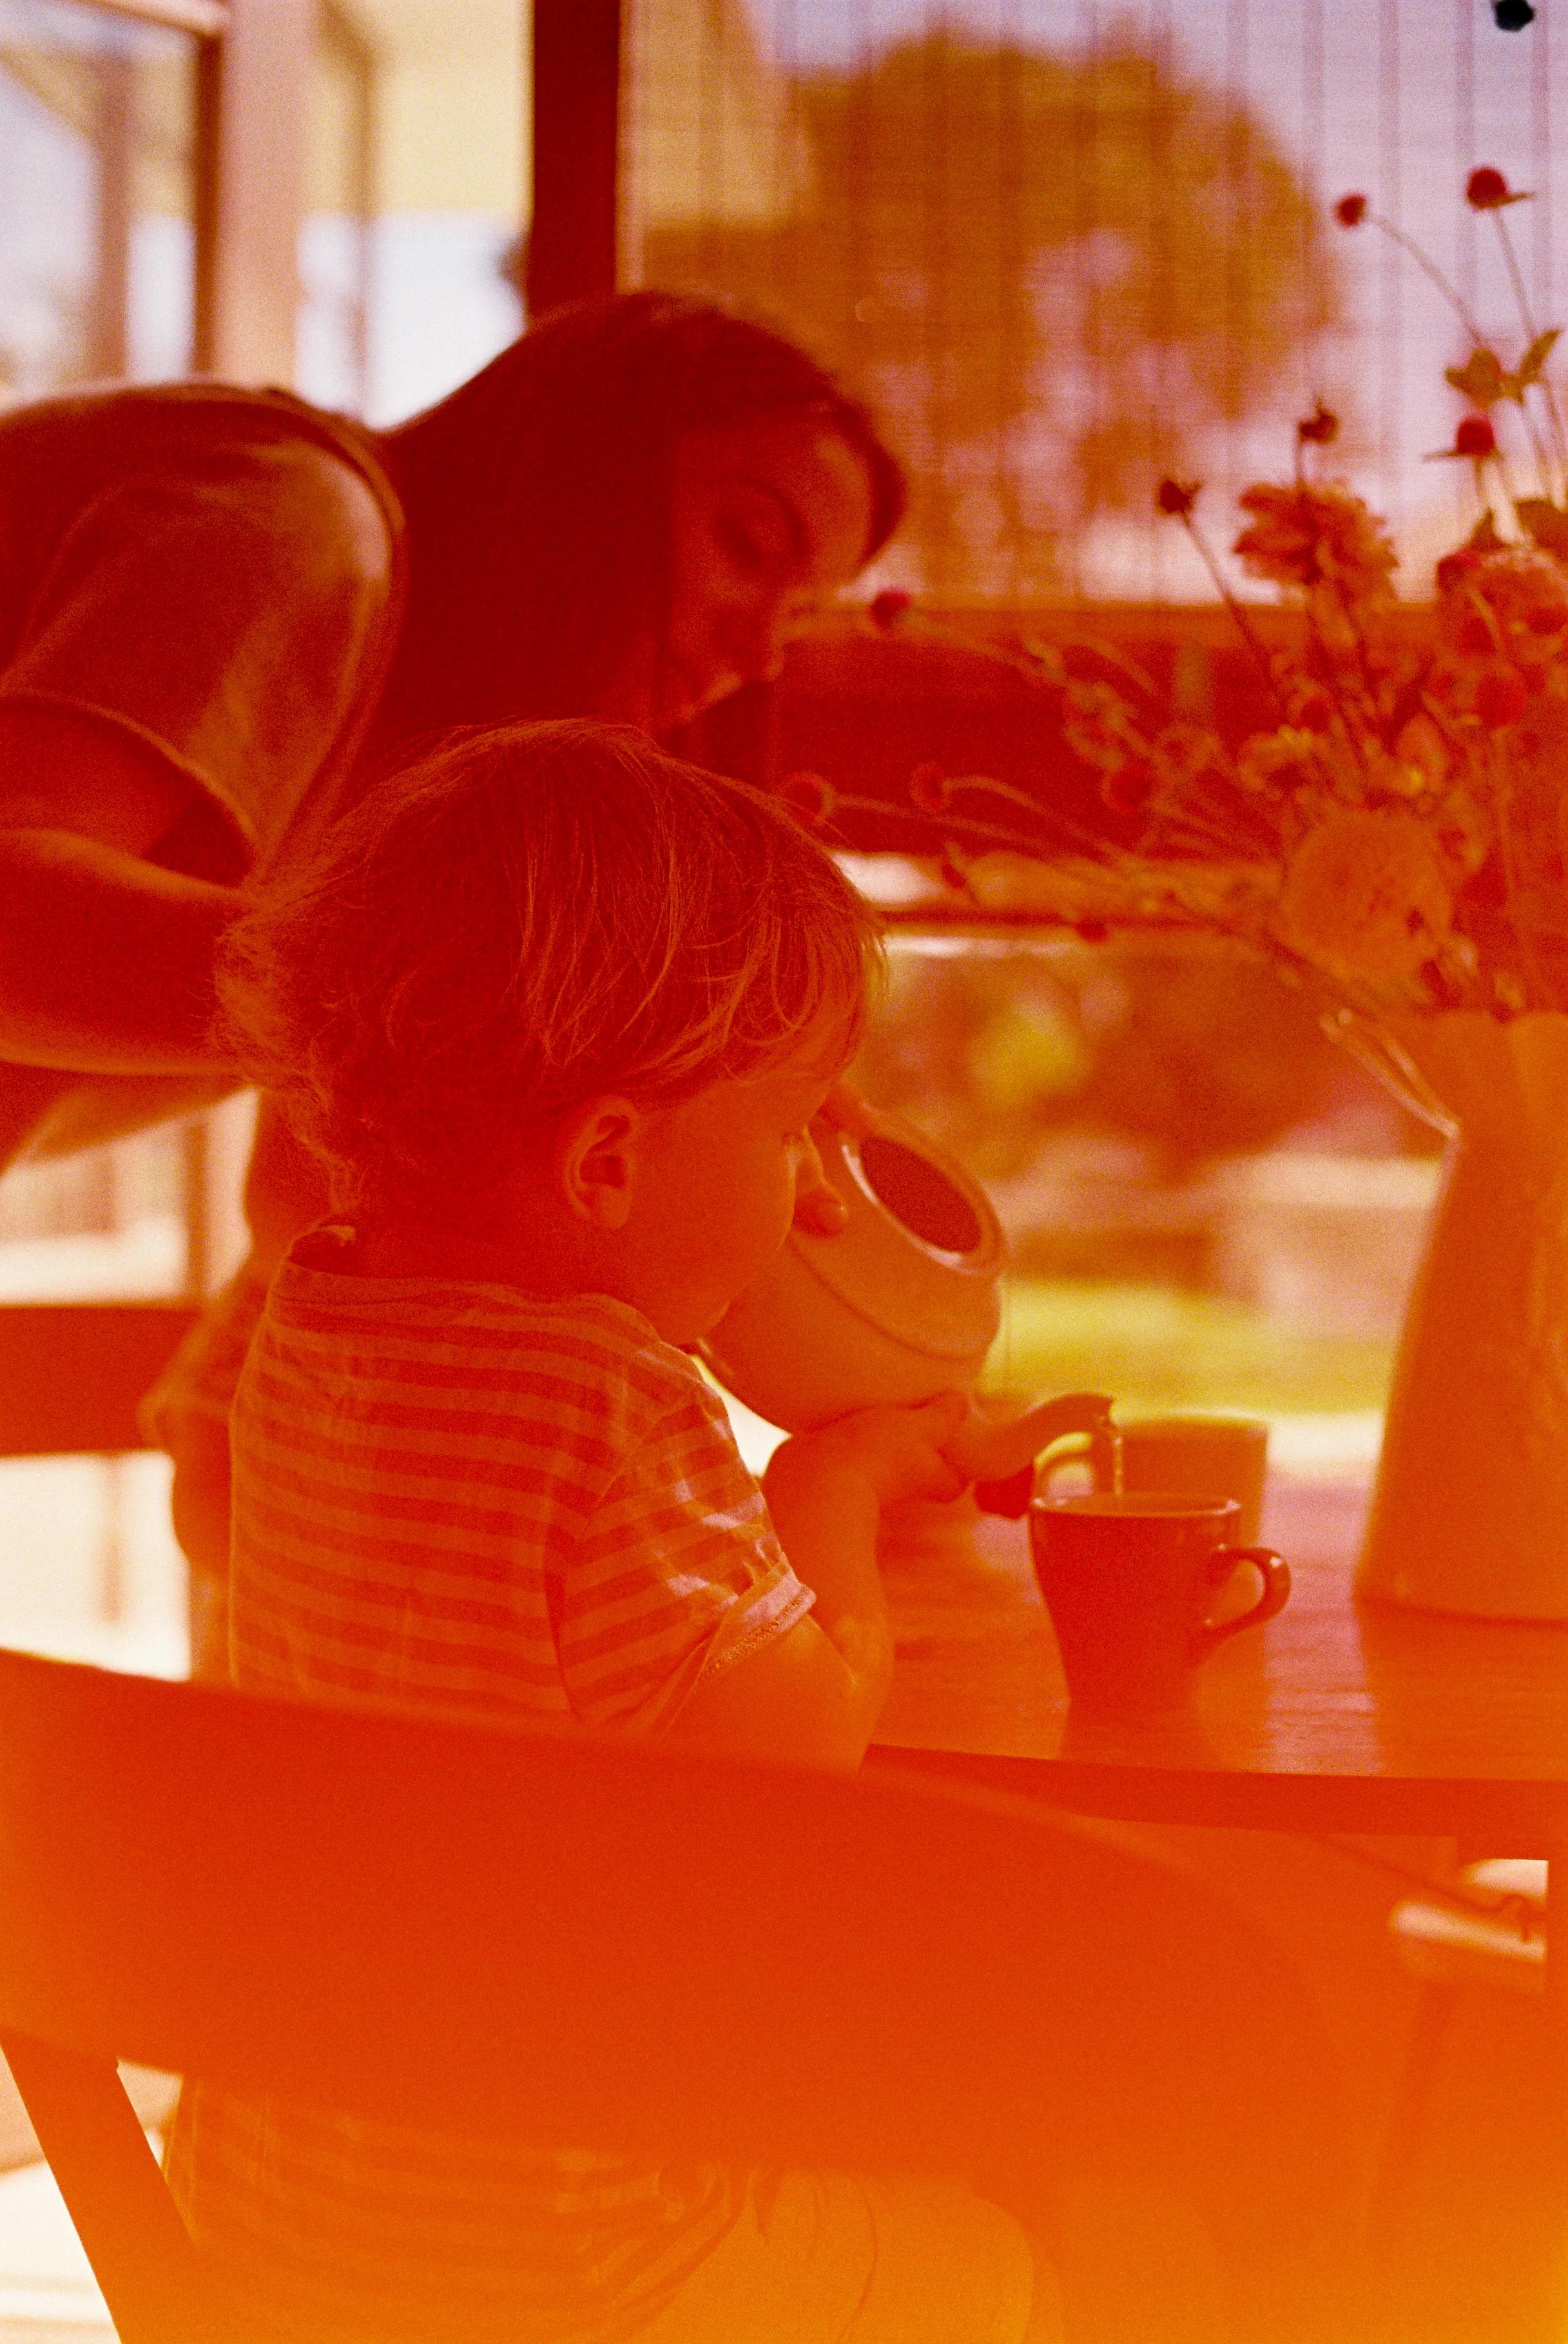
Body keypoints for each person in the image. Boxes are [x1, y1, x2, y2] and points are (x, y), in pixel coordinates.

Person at [166, 718, 1060, 2344]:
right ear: (605, 1159)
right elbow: (784, 1764)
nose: (804, 1195)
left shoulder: (306, 1333)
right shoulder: (604, 1396)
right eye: (790, 1127)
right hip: (570, 2259)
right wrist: (831, 1492)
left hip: (278, 2222)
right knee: (1003, 2250)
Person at [0, 291, 903, 1625]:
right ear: (581, 455)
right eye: (742, 542)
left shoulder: (392, 753)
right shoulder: (293, 524)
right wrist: (481, 1015)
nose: (756, 649)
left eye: (802, 607)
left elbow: (321, 1149)